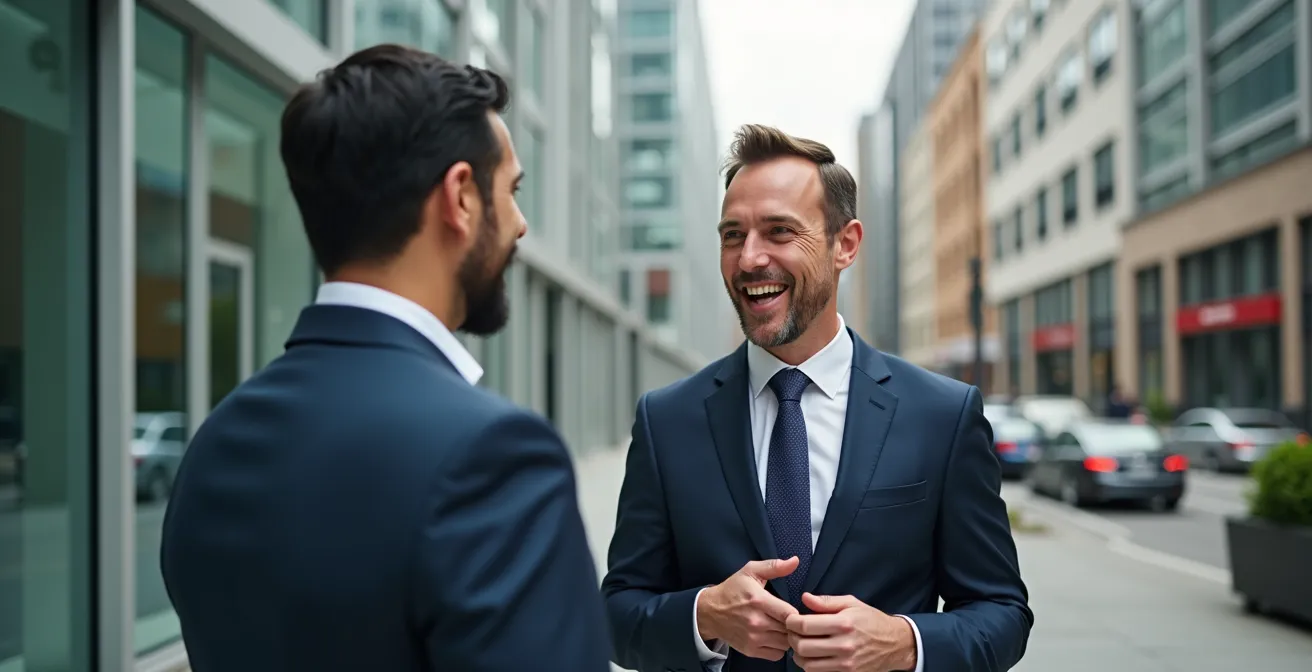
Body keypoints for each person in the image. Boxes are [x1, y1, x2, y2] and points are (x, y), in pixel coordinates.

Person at [160, 45, 611, 672]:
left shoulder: (215, 444)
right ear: (460, 197)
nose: (520, 224)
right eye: (511, 191)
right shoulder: (494, 456)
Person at [602, 124, 1033, 672]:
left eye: (779, 231)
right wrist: (703, 615)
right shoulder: (667, 420)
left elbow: (1002, 612)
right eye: (733, 235)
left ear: (844, 245)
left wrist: (904, 642)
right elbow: (617, 616)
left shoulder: (942, 416)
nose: (749, 258)